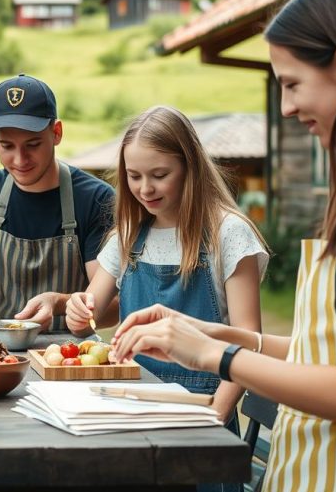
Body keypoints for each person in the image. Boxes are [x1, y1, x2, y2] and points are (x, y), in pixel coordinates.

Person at [112, 0, 336, 490]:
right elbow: (334, 353)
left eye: (292, 84)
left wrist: (215, 357)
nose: (287, 107)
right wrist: (211, 332)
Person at [64, 106, 266, 492]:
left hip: (203, 413)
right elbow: (89, 312)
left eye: (159, 175)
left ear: (190, 167)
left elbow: (249, 340)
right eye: (134, 176)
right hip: (135, 410)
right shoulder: (127, 235)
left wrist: (217, 413)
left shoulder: (228, 233)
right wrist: (77, 310)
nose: (145, 189)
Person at [0, 74, 115, 334]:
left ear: (57, 133)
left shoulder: (96, 199)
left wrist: (59, 304)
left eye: (33, 144)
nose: (20, 160)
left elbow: (113, 306)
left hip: (67, 359)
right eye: (6, 145)